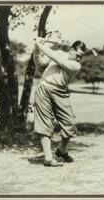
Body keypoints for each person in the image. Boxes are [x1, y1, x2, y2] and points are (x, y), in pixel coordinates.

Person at [33, 37, 88, 167]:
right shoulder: (58, 53)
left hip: (60, 92)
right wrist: (37, 47)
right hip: (44, 89)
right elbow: (39, 62)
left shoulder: (75, 65)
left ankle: (62, 150)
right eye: (78, 55)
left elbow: (59, 60)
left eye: (82, 56)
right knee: (44, 123)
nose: (79, 58)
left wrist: (42, 45)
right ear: (72, 49)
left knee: (70, 124)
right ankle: (48, 158)